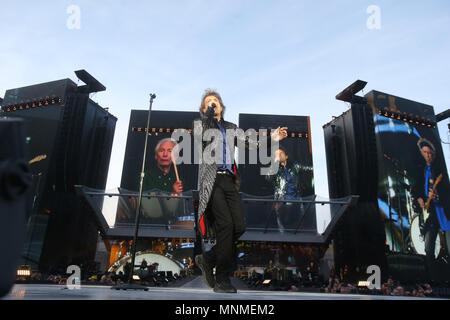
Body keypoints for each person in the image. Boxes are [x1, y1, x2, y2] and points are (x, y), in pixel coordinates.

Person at [194, 89, 287, 293]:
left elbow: (251, 145)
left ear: (222, 106)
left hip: (229, 181)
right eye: (209, 102)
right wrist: (208, 114)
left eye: (216, 101)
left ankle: (208, 258)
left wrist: (272, 138)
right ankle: (222, 280)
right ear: (204, 108)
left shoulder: (231, 128)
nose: (213, 103)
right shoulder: (201, 125)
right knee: (225, 225)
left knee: (238, 227)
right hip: (212, 180)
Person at [413, 138, 450, 265]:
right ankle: (433, 277)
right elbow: (416, 189)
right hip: (430, 213)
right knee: (428, 249)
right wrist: (420, 199)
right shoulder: (422, 170)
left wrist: (438, 195)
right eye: (425, 153)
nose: (428, 156)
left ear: (433, 154)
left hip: (444, 211)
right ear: (422, 153)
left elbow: (446, 188)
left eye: (430, 153)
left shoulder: (440, 169)